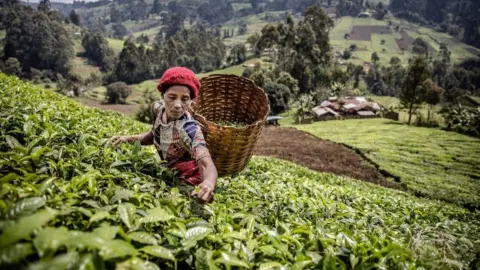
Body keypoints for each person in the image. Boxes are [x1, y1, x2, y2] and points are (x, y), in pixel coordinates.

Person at [111, 67, 218, 203]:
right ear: (163, 96)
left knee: (176, 202)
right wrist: (127, 139)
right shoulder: (158, 109)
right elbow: (155, 135)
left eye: (184, 99)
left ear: (191, 102)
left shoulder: (189, 128)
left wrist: (208, 183)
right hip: (167, 171)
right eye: (172, 97)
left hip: (191, 180)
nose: (178, 105)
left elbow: (206, 164)